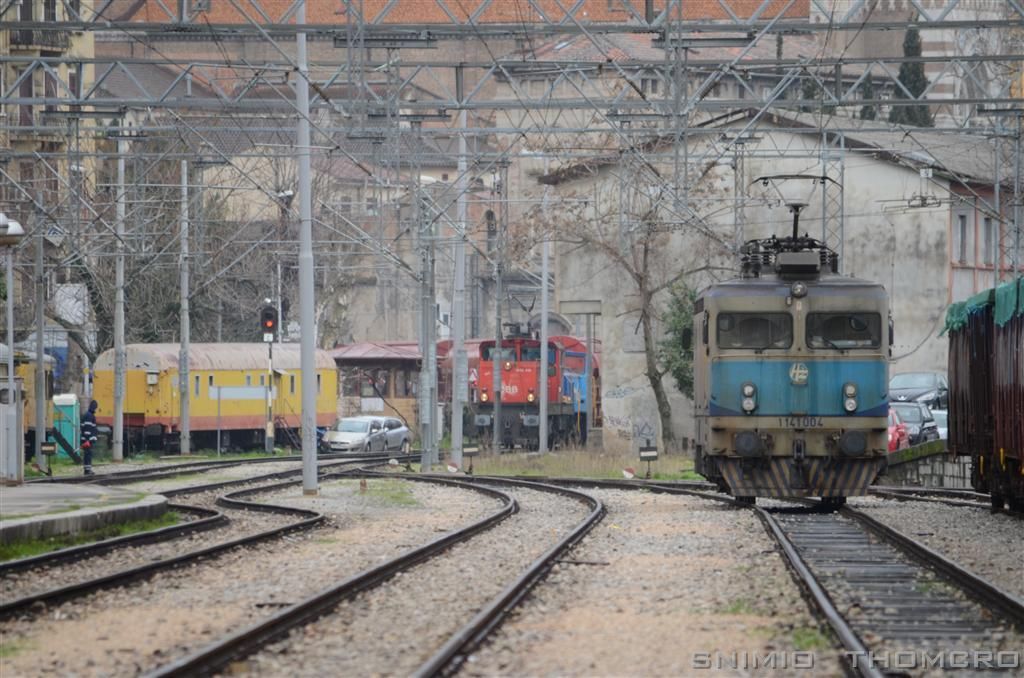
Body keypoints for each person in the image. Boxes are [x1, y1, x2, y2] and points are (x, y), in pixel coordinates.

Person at [80, 399, 98, 476]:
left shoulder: (87, 415)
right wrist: (87, 440)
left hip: (86, 439)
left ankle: (87, 469)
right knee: (88, 454)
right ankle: (87, 471)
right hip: (87, 440)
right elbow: (87, 429)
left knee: (87, 454)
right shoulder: (89, 416)